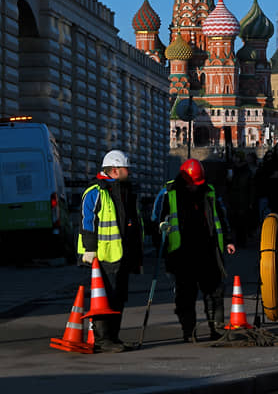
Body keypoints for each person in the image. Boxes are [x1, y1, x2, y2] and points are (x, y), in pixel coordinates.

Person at [160, 159, 236, 342]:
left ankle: (216, 329)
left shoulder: (209, 192)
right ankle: (189, 331)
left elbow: (221, 216)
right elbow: (158, 218)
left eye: (196, 184)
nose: (194, 187)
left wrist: (228, 240)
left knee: (215, 291)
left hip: (207, 250)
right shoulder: (169, 193)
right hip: (181, 253)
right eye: (191, 184)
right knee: (185, 295)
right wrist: (161, 231)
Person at [78, 150, 143, 353]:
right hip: (103, 257)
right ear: (114, 170)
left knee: (119, 297)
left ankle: (113, 337)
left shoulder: (125, 191)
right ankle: (102, 339)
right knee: (104, 299)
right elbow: (87, 221)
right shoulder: (95, 191)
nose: (129, 172)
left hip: (121, 255)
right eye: (126, 168)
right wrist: (90, 249)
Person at [226, 150, 255, 247]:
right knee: (235, 220)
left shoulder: (247, 171)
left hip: (243, 199)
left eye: (236, 157)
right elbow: (228, 186)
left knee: (242, 221)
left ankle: (242, 241)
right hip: (234, 199)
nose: (234, 159)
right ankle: (238, 240)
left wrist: (251, 202)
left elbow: (251, 187)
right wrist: (228, 180)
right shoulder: (232, 170)